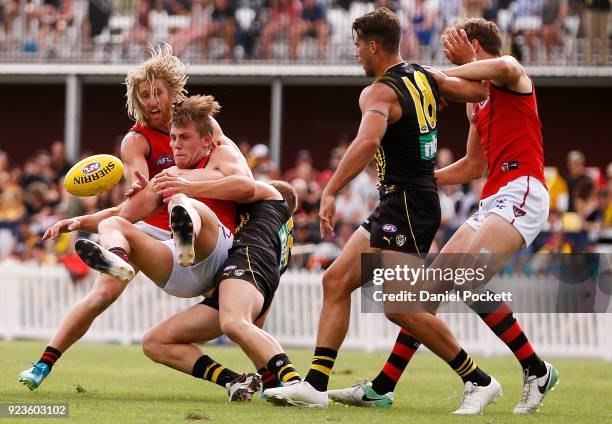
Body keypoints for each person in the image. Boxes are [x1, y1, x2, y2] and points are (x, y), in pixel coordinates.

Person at [263, 8, 502, 414]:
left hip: (406, 201)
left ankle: (478, 379)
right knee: (335, 280)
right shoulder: (424, 76)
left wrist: (330, 190)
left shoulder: (379, 91)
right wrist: (470, 64)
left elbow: (366, 143)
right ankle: (317, 385)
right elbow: (480, 91)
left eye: (357, 45)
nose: (355, 52)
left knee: (400, 306)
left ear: (373, 45)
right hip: (406, 199)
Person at [328, 18, 559, 415]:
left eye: (453, 43)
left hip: (523, 190)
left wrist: (431, 74)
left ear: (472, 44)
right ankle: (383, 387)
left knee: (467, 279)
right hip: (493, 199)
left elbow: (503, 67)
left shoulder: (511, 73)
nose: (446, 51)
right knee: (426, 295)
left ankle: (536, 369)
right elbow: (472, 167)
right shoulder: (477, 104)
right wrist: (421, 178)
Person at [48, 95, 265, 401]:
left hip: (224, 258)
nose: (175, 145)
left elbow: (247, 186)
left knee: (182, 201)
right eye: (173, 138)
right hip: (182, 270)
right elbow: (122, 212)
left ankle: (280, 381)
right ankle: (119, 260)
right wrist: (79, 221)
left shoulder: (221, 156)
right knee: (118, 228)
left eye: (184, 138)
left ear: (207, 141)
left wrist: (187, 184)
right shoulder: (165, 176)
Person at [18, 43, 188, 391]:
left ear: (173, 92)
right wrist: (137, 182)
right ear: (136, 101)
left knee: (236, 291)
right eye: (145, 95)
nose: (153, 101)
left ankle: (269, 373)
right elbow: (137, 193)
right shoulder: (135, 140)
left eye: (158, 93)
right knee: (101, 296)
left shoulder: (196, 126)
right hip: (147, 229)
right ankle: (42, 364)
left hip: (191, 226)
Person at [142, 176, 300, 400]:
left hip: (247, 260)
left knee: (234, 323)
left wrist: (186, 185)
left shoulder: (271, 196)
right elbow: (256, 324)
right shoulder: (280, 237)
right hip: (247, 275)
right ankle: (238, 381)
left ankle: (294, 381)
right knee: (155, 342)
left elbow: (243, 186)